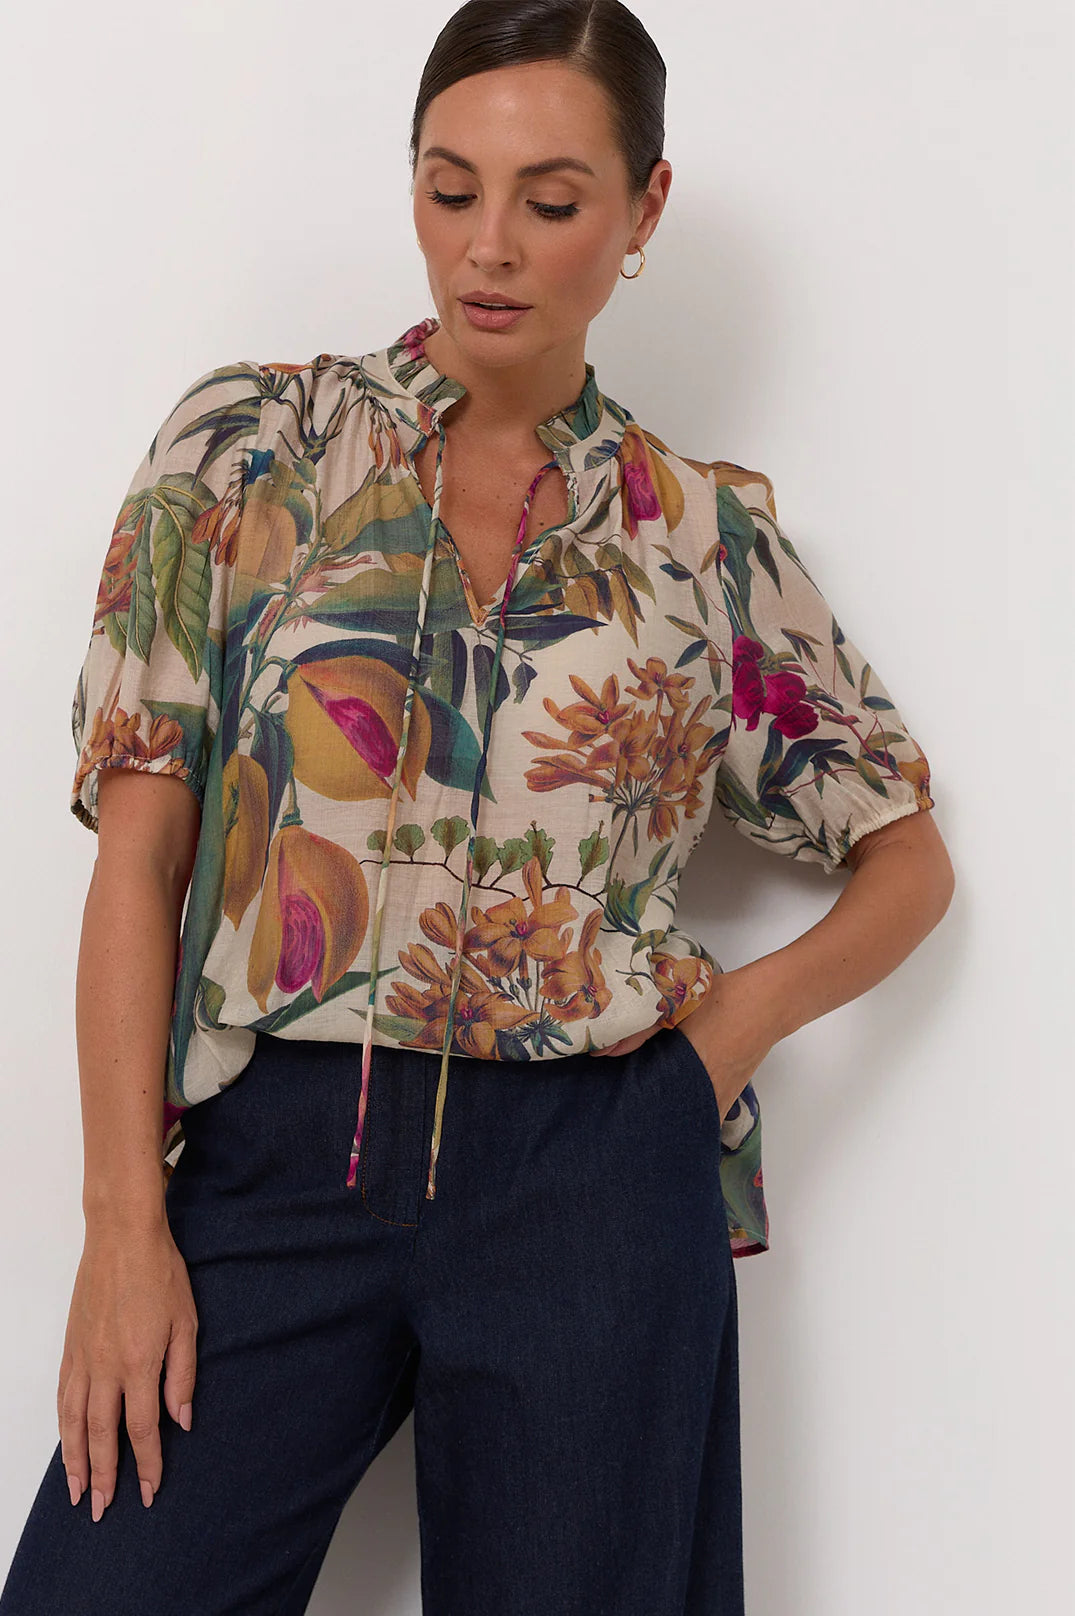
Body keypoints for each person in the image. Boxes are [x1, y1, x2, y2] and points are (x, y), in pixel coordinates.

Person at [0, 2, 954, 1611]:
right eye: (449, 189)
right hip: (276, 1153)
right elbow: (140, 854)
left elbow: (907, 858)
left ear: (643, 210)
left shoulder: (700, 539)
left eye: (551, 200)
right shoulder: (251, 452)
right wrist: (120, 1226)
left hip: (591, 1176)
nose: (488, 247)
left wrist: (720, 1042)